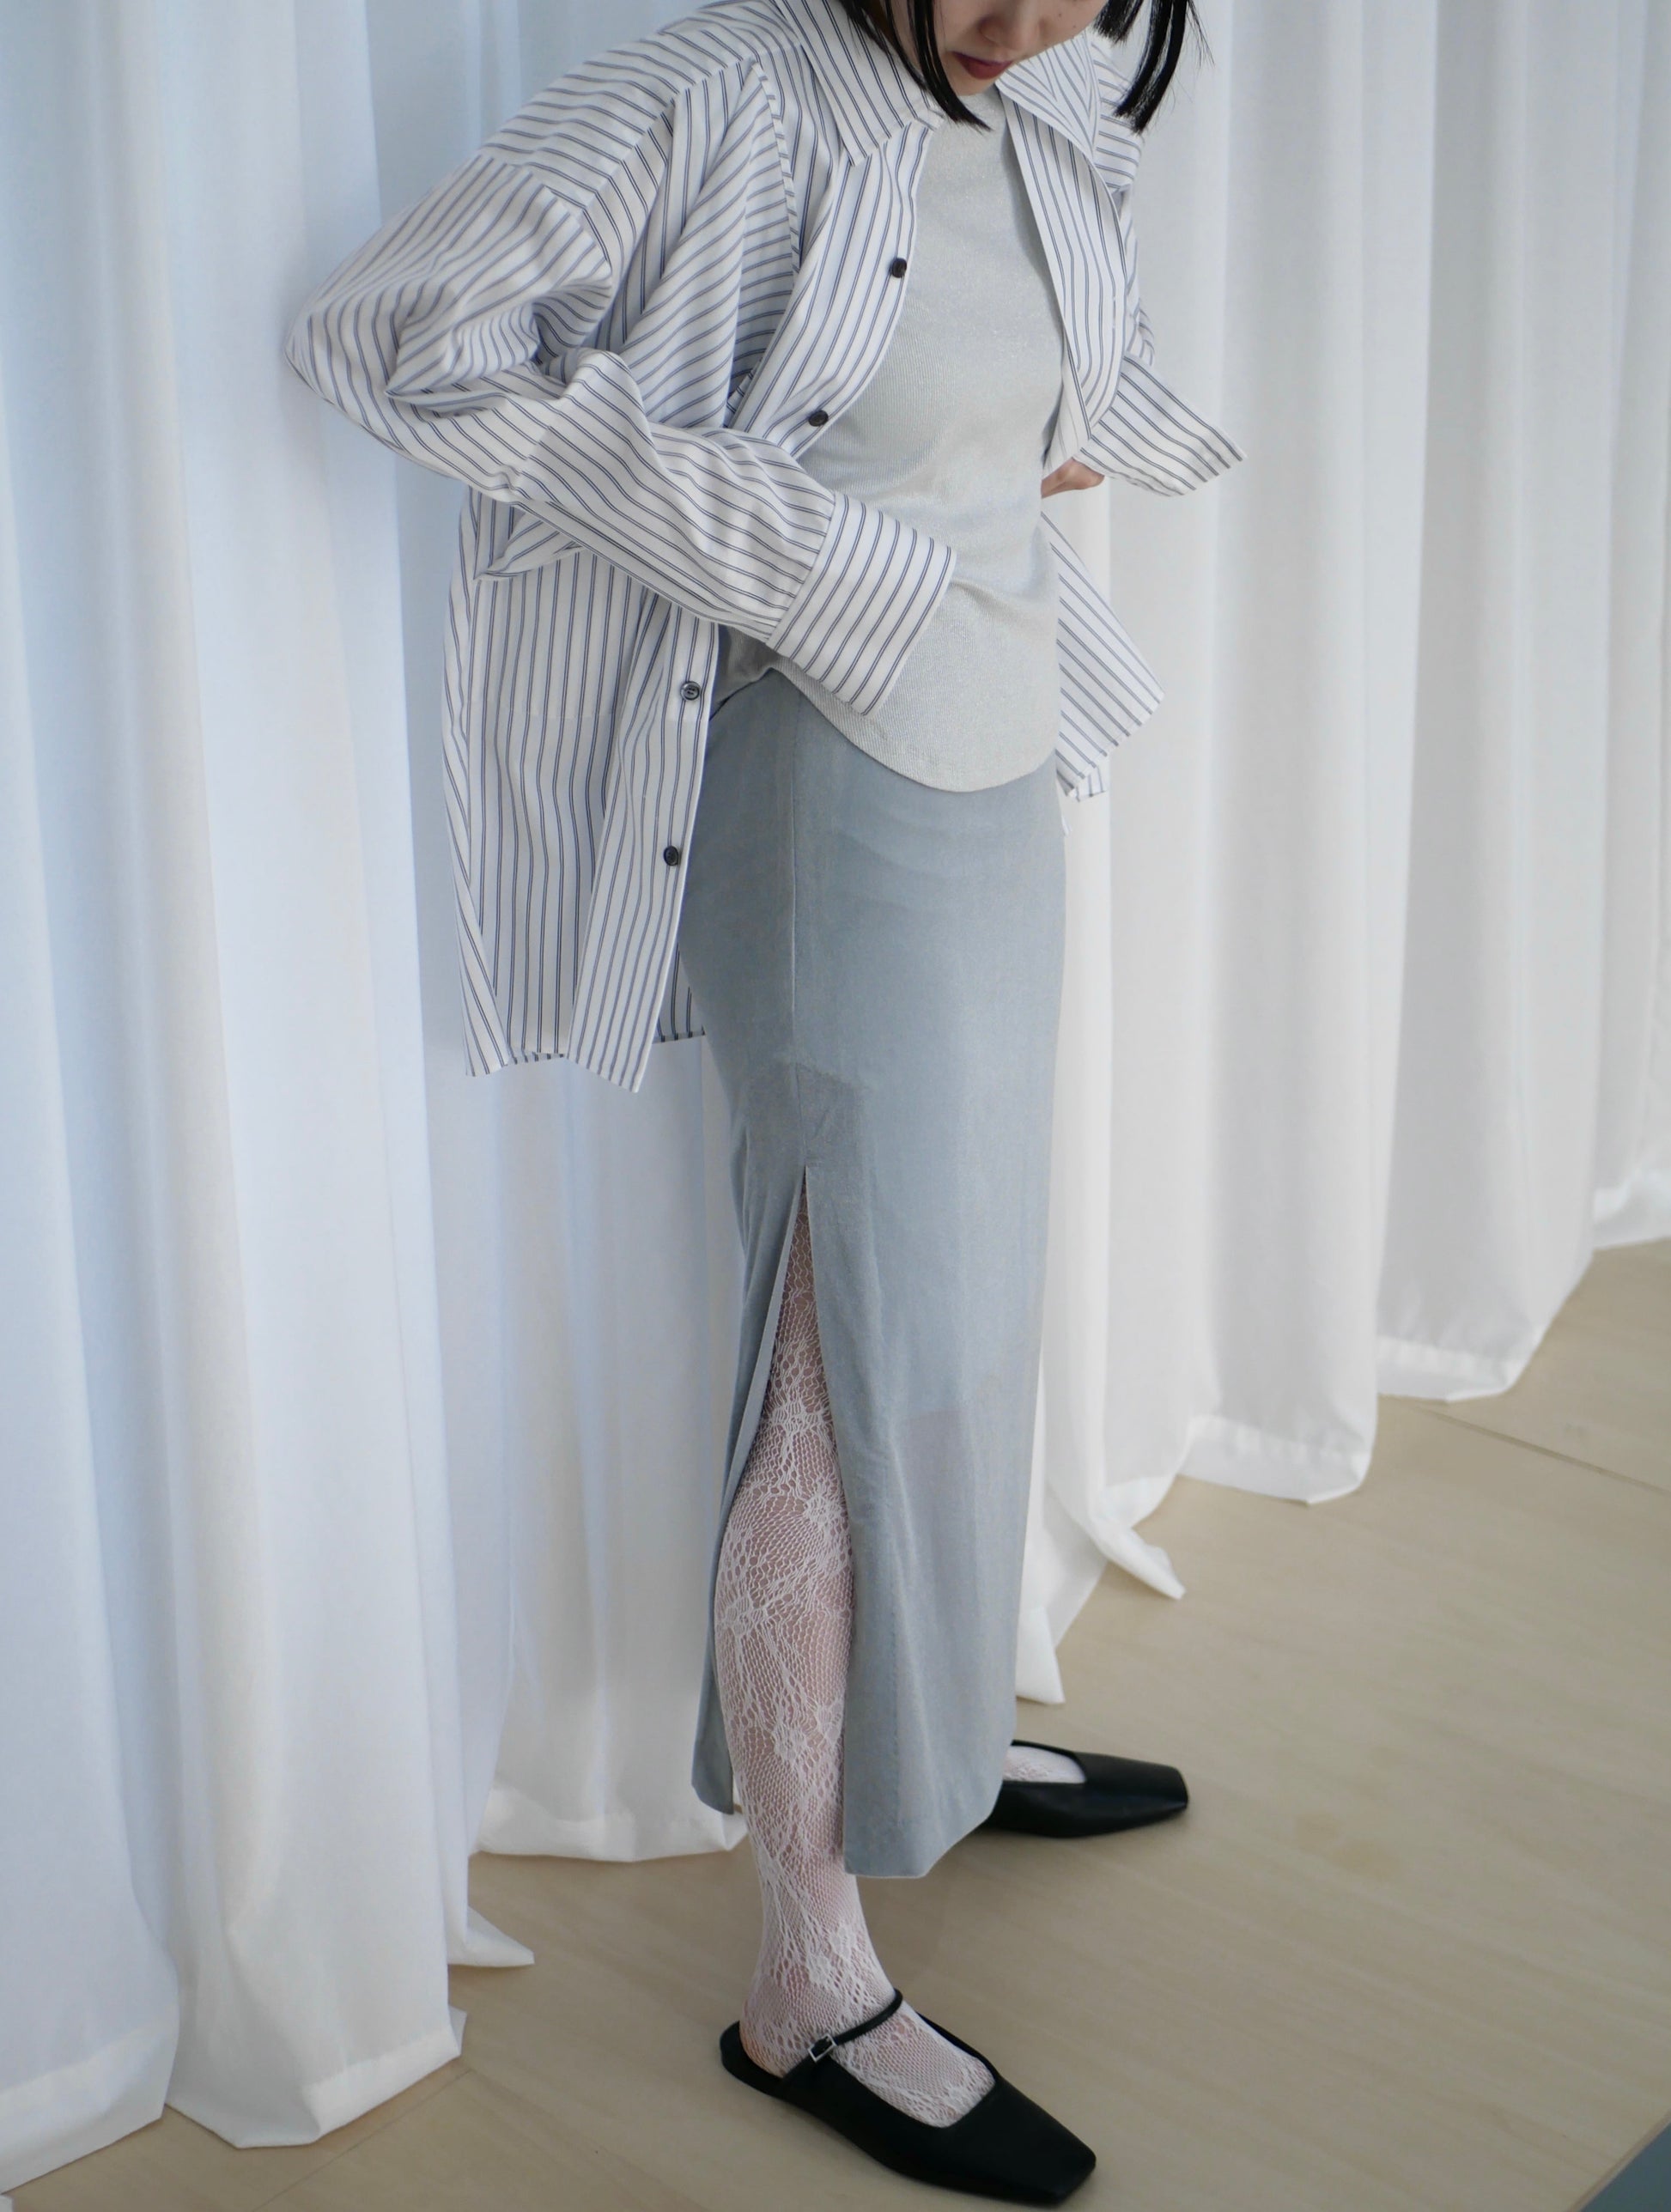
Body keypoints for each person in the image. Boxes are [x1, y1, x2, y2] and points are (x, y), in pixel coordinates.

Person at [285, 0, 1238, 2196]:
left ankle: (929, 1748)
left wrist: (1027, 443)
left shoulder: (1039, 101)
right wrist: (799, 547)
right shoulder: (714, 82)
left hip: (994, 759)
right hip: (830, 796)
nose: (1030, 30)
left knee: (960, 1312)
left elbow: (1006, 379)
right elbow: (387, 330)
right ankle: (804, 1973)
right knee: (835, 1350)